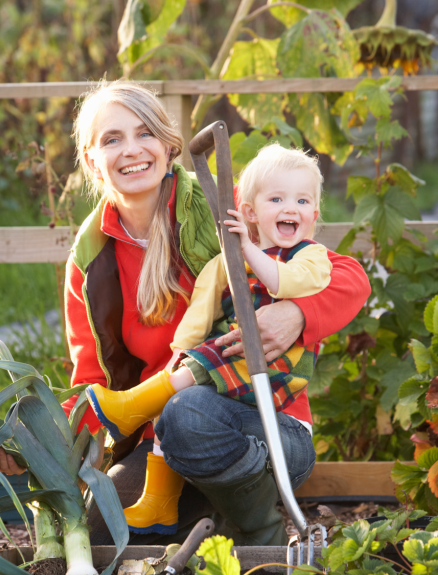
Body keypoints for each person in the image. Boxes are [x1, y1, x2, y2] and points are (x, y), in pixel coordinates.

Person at [0, 79, 370, 548]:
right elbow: (93, 384)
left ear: (169, 145)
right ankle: (204, 522)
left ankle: (250, 526)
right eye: (112, 139)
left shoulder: (222, 207)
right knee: (102, 528)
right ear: (91, 159)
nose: (132, 150)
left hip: (260, 422)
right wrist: (33, 443)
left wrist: (298, 313)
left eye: (144, 133)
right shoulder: (91, 262)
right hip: (162, 446)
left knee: (186, 409)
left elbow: (348, 276)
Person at [86, 143, 332, 536]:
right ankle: (160, 499)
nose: (291, 208)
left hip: (274, 382)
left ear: (314, 214)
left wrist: (247, 249)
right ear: (249, 212)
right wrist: (179, 354)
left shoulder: (309, 257)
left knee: (198, 381)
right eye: (277, 199)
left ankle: (256, 528)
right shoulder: (225, 260)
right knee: (179, 397)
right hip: (229, 382)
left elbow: (283, 281)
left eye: (302, 201)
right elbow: (201, 307)